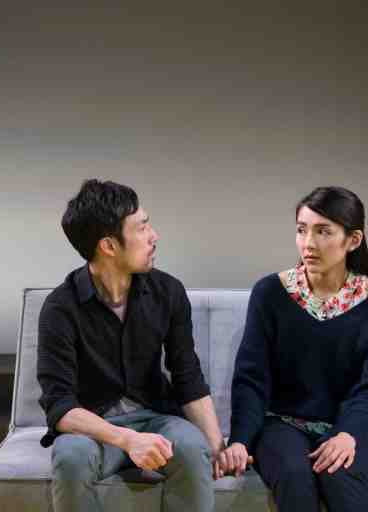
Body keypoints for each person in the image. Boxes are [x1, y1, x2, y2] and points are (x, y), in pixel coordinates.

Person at [37, 179, 226, 512]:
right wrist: (128, 440)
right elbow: (60, 406)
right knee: (71, 457)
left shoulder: (168, 292)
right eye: (142, 227)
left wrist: (217, 447)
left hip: (157, 418)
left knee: (193, 448)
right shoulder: (60, 308)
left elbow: (187, 376)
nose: (154, 236)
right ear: (109, 246)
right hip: (93, 427)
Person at [221, 186, 368, 512]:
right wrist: (240, 439)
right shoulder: (270, 292)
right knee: (294, 475)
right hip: (281, 423)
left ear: (353, 240)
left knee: (339, 474)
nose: (308, 243)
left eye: (323, 232)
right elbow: (251, 379)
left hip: (357, 426)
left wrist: (348, 434)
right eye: (302, 230)